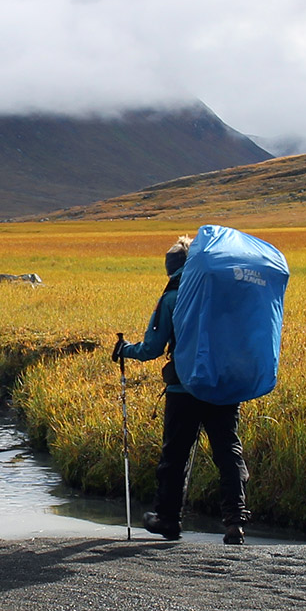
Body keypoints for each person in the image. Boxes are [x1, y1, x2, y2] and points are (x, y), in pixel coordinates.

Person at [112, 234, 247, 546]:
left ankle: (169, 519)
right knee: (228, 451)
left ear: (172, 267)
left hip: (184, 388)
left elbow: (152, 348)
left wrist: (124, 349)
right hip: (223, 387)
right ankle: (236, 521)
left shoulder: (173, 294)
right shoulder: (223, 290)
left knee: (175, 454)